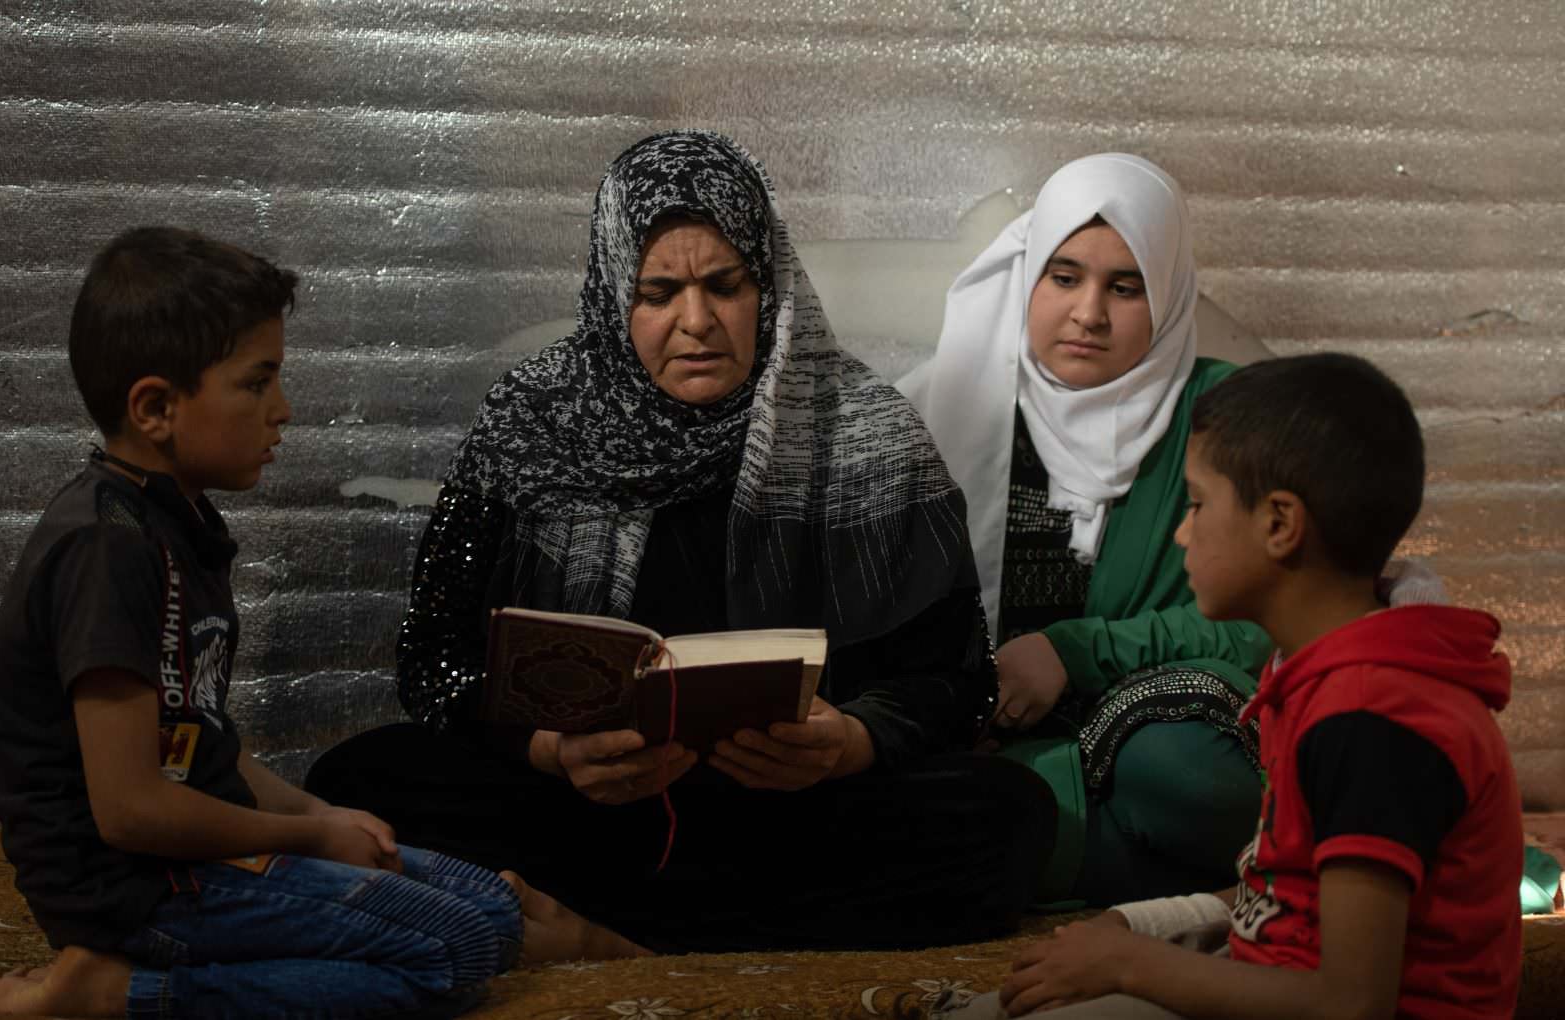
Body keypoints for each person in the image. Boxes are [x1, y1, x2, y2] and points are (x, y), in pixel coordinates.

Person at [305, 130, 1055, 952]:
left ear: (766, 286)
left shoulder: (864, 429)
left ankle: (596, 930)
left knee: (1007, 812)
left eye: (723, 285)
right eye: (658, 292)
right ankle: (731, 931)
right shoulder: (533, 420)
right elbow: (435, 656)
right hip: (588, 809)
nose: (695, 323)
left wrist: (849, 742)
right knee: (360, 780)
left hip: (795, 813)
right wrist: (554, 750)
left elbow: (953, 676)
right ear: (612, 292)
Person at [0, 227, 643, 1019]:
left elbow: (203, 744)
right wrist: (310, 842)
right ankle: (122, 990)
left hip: (191, 867)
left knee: (486, 908)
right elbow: (132, 809)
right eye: (258, 384)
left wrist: (316, 812)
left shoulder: (173, 524)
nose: (283, 412)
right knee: (457, 954)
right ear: (155, 407)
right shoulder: (107, 550)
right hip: (138, 888)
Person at [995, 353, 1522, 1019]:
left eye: (1196, 503)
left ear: (1278, 524)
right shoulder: (1316, 679)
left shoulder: (1374, 720)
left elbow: (1351, 1003)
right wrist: (1142, 927)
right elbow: (1286, 896)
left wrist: (1133, 965)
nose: (1183, 531)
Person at [900, 153, 1272, 906]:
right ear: (1028, 274)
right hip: (967, 740)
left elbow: (1263, 627)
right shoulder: (941, 409)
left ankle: (1029, 859)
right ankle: (1149, 880)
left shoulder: (1226, 416)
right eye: (1064, 277)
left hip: (1145, 742)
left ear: (1168, 295)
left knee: (1196, 773)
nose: (1089, 313)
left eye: (1125, 287)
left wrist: (1074, 652)